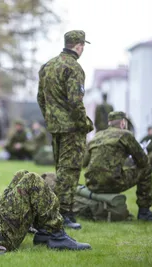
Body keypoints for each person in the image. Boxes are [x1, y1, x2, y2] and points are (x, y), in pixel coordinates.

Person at [37, 30, 94, 229]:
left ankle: (58, 211)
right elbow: (75, 101)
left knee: (60, 170)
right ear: (79, 46)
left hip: (55, 127)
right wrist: (85, 124)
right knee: (69, 171)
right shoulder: (74, 67)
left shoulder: (47, 66)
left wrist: (50, 118)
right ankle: (65, 214)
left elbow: (40, 99)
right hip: (72, 128)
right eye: (83, 46)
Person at [83, 111, 152, 221]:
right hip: (113, 182)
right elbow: (143, 161)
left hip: (92, 184)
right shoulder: (125, 134)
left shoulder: (97, 136)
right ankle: (145, 212)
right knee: (146, 168)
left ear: (109, 123)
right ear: (122, 123)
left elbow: (84, 162)